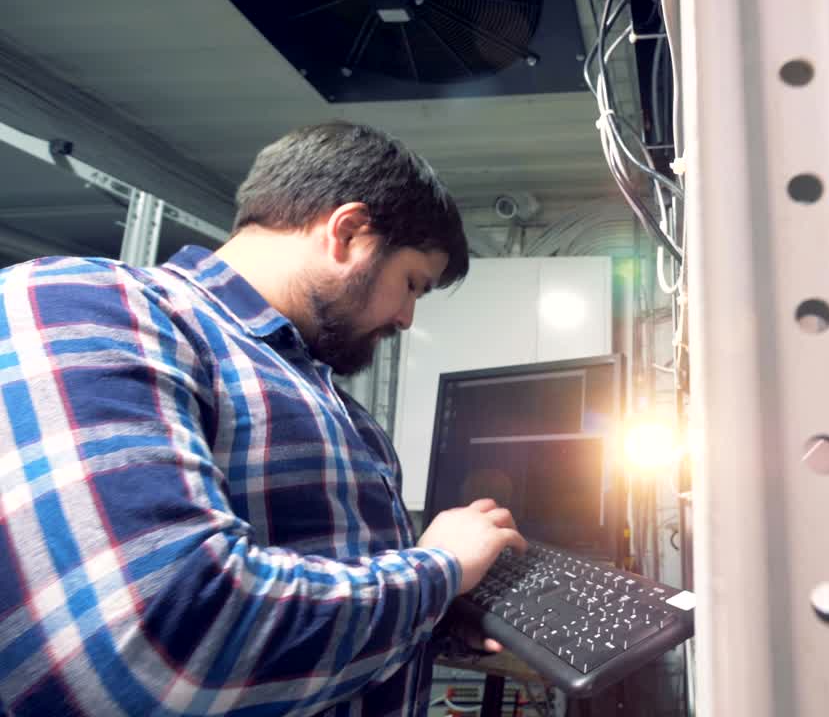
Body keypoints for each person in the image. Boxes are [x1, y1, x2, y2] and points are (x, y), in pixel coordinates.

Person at [0, 122, 526, 716]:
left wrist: (443, 616)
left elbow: (335, 587)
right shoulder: (86, 303)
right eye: (411, 284)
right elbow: (163, 646)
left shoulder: (343, 412)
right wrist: (439, 569)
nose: (406, 318)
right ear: (348, 233)